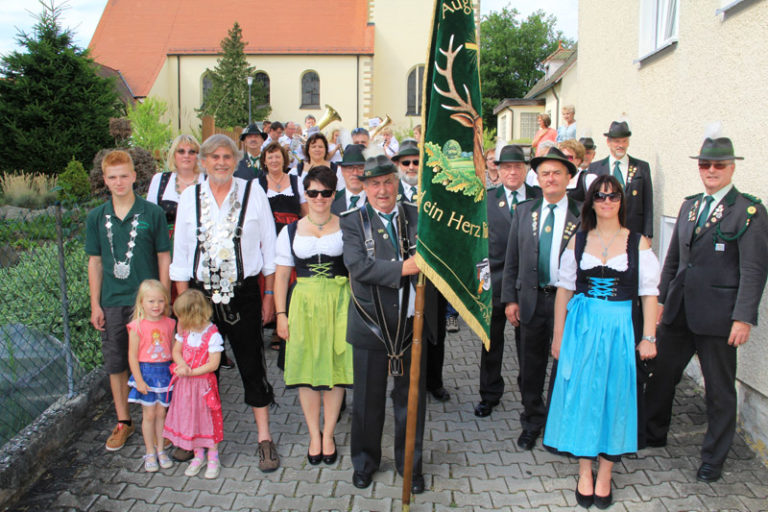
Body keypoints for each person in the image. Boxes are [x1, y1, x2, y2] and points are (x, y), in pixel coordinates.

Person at [645, 137, 768, 483]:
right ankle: (652, 434)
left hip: (719, 319)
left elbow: (755, 270)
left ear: (732, 167)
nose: (710, 171)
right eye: (704, 165)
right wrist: (661, 301)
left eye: (718, 165)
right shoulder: (689, 206)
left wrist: (743, 317)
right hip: (679, 312)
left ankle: (713, 458)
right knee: (660, 376)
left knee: (719, 392)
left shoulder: (748, 212)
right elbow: (672, 261)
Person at [544, 175, 659, 509]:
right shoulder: (577, 241)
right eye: (600, 196)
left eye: (614, 196)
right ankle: (584, 470)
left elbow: (650, 294)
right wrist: (558, 335)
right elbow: (564, 290)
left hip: (621, 326)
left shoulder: (638, 243)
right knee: (582, 394)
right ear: (590, 202)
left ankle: (606, 471)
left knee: (615, 395)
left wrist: (649, 337)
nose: (607, 202)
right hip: (583, 326)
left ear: (622, 201)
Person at [170, 134, 280, 473]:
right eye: (214, 157)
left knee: (251, 364)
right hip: (200, 297)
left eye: (226, 157)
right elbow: (181, 257)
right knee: (201, 371)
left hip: (244, 292)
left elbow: (270, 249)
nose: (220, 162)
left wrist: (269, 295)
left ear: (235, 160)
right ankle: (196, 438)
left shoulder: (253, 192)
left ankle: (264, 439)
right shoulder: (189, 198)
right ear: (203, 161)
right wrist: (183, 307)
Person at [341, 154, 433, 494]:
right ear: (364, 187)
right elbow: (358, 267)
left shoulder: (418, 215)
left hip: (413, 327)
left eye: (388, 182)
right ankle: (365, 463)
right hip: (371, 326)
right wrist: (404, 268)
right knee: (366, 401)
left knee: (411, 402)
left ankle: (411, 464)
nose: (383, 190)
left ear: (397, 182)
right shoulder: (352, 221)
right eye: (375, 183)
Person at [86, 150, 171, 452]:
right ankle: (124, 421)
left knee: (159, 357)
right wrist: (96, 304)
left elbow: (163, 256)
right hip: (112, 301)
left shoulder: (152, 213)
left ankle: (164, 418)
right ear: (105, 181)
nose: (119, 182)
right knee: (116, 362)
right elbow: (95, 262)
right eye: (112, 177)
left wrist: (165, 297)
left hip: (148, 303)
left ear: (135, 176)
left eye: (124, 175)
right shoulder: (97, 217)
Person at [501, 146, 582, 451]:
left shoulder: (582, 213)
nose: (550, 179)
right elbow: (512, 260)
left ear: (569, 177)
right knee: (531, 367)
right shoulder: (525, 211)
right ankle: (532, 420)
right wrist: (510, 299)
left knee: (566, 365)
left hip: (569, 304)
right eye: (545, 173)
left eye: (557, 173)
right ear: (538, 177)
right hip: (531, 302)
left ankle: (561, 425)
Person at [274, 166, 353, 466]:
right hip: (303, 304)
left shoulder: (347, 226)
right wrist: (281, 315)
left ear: (334, 195)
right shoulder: (290, 230)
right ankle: (313, 434)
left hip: (339, 301)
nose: (319, 198)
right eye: (312, 192)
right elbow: (281, 276)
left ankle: (329, 433)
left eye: (325, 192)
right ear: (304, 194)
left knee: (335, 370)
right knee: (306, 371)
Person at [476, 145, 541, 418]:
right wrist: (480, 284)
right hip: (496, 282)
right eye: (506, 167)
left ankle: (530, 395)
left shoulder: (539, 198)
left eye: (517, 166)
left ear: (525, 169)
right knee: (491, 342)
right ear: (498, 171)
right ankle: (490, 394)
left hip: (529, 284)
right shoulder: (487, 200)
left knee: (528, 344)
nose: (512, 172)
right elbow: (477, 244)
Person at [163, 289, 224, 480]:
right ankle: (198, 454)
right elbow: (176, 351)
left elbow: (213, 364)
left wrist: (191, 372)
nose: (179, 320)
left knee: (206, 419)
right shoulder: (186, 331)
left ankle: (213, 456)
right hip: (185, 386)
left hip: (203, 385)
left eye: (181, 316)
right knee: (191, 418)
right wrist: (181, 365)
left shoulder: (212, 334)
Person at [126, 279, 176, 472]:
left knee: (161, 412)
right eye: (151, 301)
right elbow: (132, 355)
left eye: (160, 301)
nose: (156, 306)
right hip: (146, 373)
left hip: (164, 372)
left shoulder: (170, 323)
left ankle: (161, 449)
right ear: (141, 303)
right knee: (149, 414)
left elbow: (172, 349)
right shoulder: (136, 326)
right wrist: (138, 379)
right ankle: (149, 452)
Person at [587, 121, 654, 238]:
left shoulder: (641, 167)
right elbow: (590, 203)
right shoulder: (595, 168)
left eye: (624, 141)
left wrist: (648, 235)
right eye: (617, 141)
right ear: (608, 142)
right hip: (603, 231)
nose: (621, 145)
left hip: (633, 231)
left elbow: (648, 203)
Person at [147, 134, 205, 238]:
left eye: (192, 152)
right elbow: (150, 218)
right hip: (166, 245)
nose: (186, 155)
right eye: (181, 151)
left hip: (201, 245)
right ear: (174, 155)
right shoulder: (160, 180)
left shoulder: (208, 181)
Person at [331, 144, 366, 214]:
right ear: (342, 170)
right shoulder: (331, 202)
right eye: (350, 168)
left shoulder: (378, 200)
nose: (355, 173)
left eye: (360, 168)